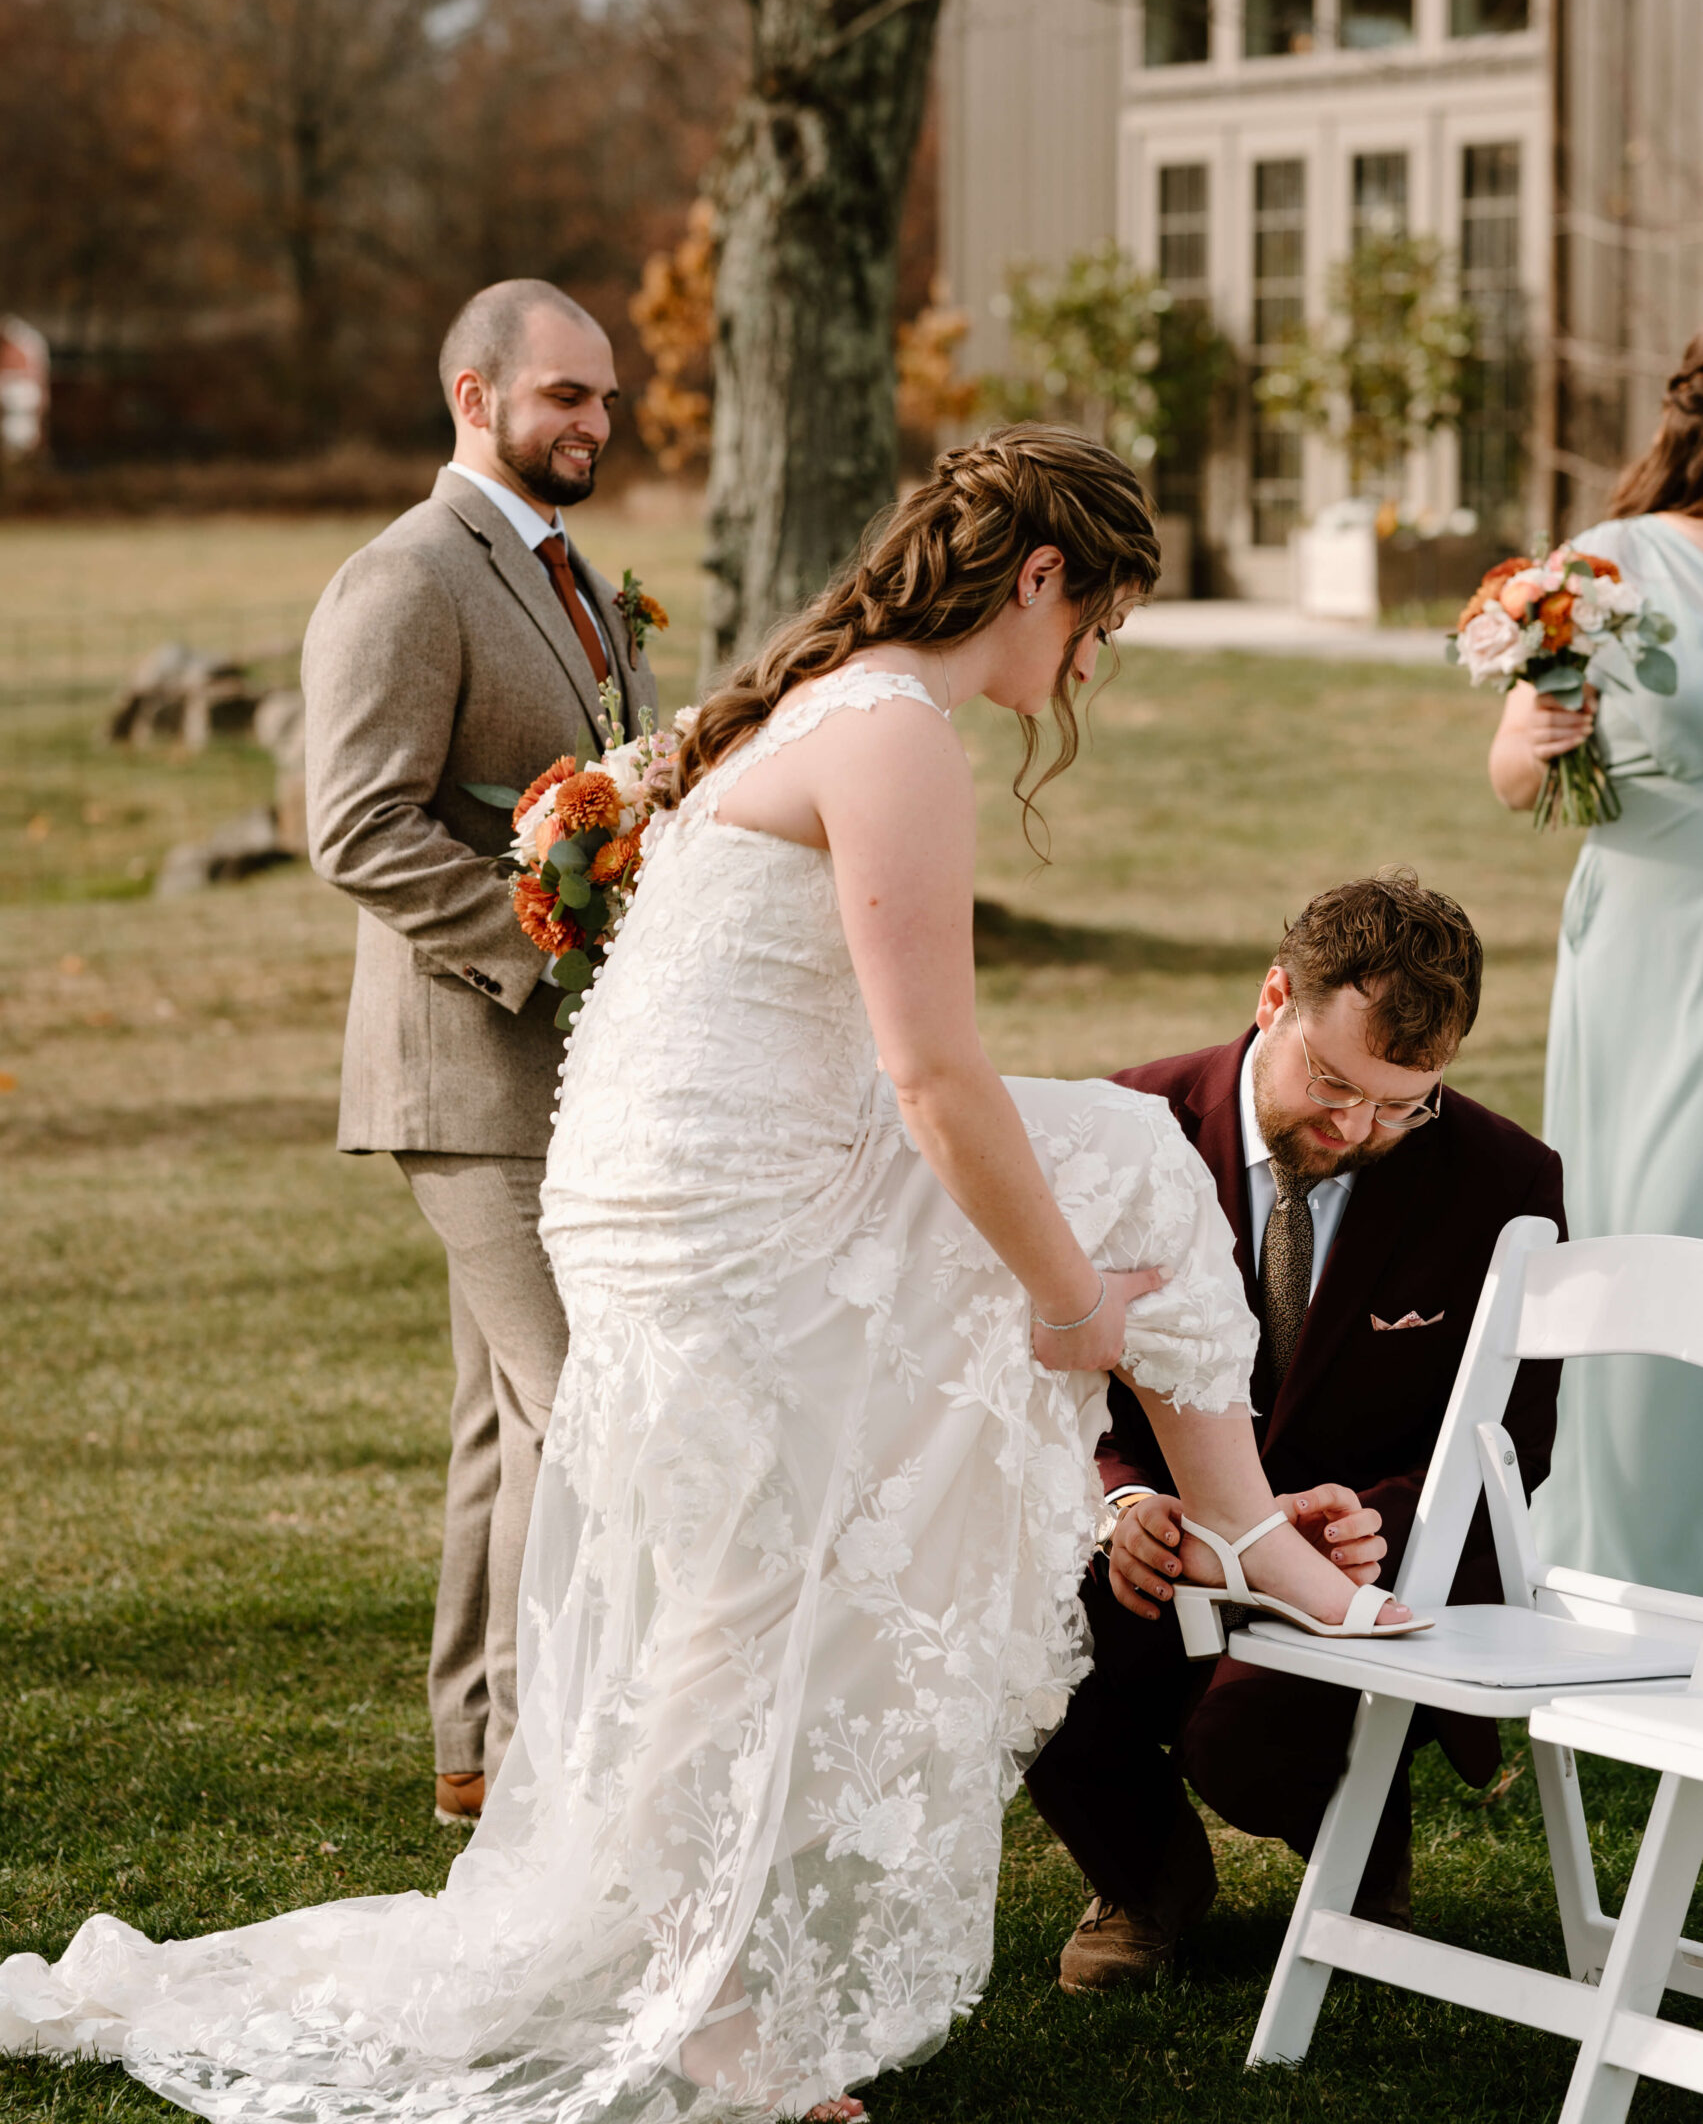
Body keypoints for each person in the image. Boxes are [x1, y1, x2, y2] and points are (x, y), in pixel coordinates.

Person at [3, 427, 1411, 2124]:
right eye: (1094, 625)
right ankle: (1241, 1540)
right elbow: (935, 1079)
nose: (1086, 665)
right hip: (733, 1210)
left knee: (739, 1600)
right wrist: (1056, 1308)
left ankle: (716, 1998)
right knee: (1066, 1222)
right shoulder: (893, 730)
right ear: (1038, 578)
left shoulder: (819, 698)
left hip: (671, 1188)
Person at [1026, 875, 1564, 1990]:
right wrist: (1120, 1501)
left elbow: (1515, 1436)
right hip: (1149, 1540)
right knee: (1005, 1620)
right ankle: (1143, 1876)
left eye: (1399, 1102)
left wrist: (1372, 1525)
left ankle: (1355, 1835)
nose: (1357, 1127)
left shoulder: (1505, 1179)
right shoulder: (1126, 1124)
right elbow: (1041, 1380)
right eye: (1333, 1083)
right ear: (1273, 997)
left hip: (1347, 1577)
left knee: (1246, 1743)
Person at [302, 278, 657, 1824]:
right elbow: (355, 829)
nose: (590, 423)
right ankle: (534, 1779)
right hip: (468, 1065)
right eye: (562, 397)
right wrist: (549, 944)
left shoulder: (568, 570)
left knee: (499, 1416)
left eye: (604, 400)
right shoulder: (404, 580)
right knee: (578, 1411)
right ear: (473, 396)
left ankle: (468, 1750)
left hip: (570, 1072)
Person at [1490, 334, 1703, 1596]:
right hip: (1660, 942)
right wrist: (1545, 730)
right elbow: (1518, 777)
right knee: (1666, 1226)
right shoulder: (1612, 567)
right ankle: (1640, 1579)